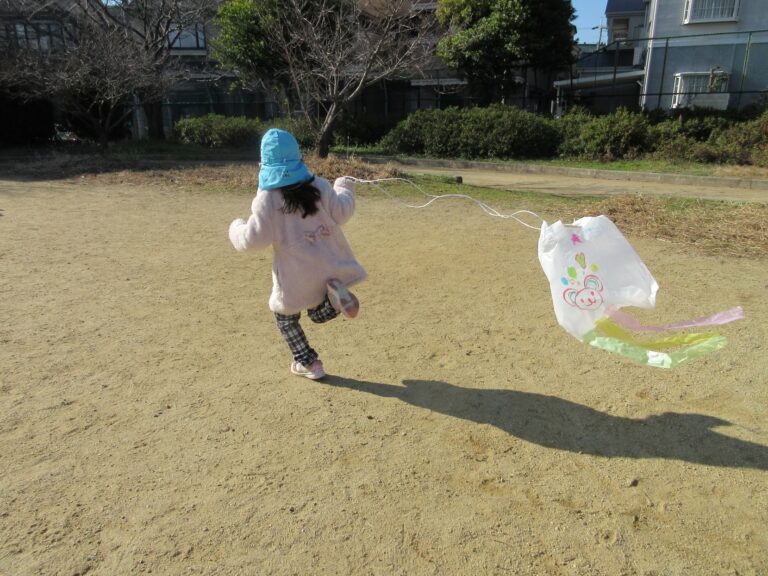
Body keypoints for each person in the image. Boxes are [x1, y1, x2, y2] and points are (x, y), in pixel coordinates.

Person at [228, 128, 366, 380]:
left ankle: (308, 362)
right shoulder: (319, 186)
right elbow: (343, 212)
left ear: (264, 165)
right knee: (316, 312)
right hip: (329, 269)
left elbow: (252, 240)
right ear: (298, 158)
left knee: (285, 318)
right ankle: (334, 303)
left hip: (296, 277)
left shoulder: (267, 199)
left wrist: (235, 228)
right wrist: (345, 186)